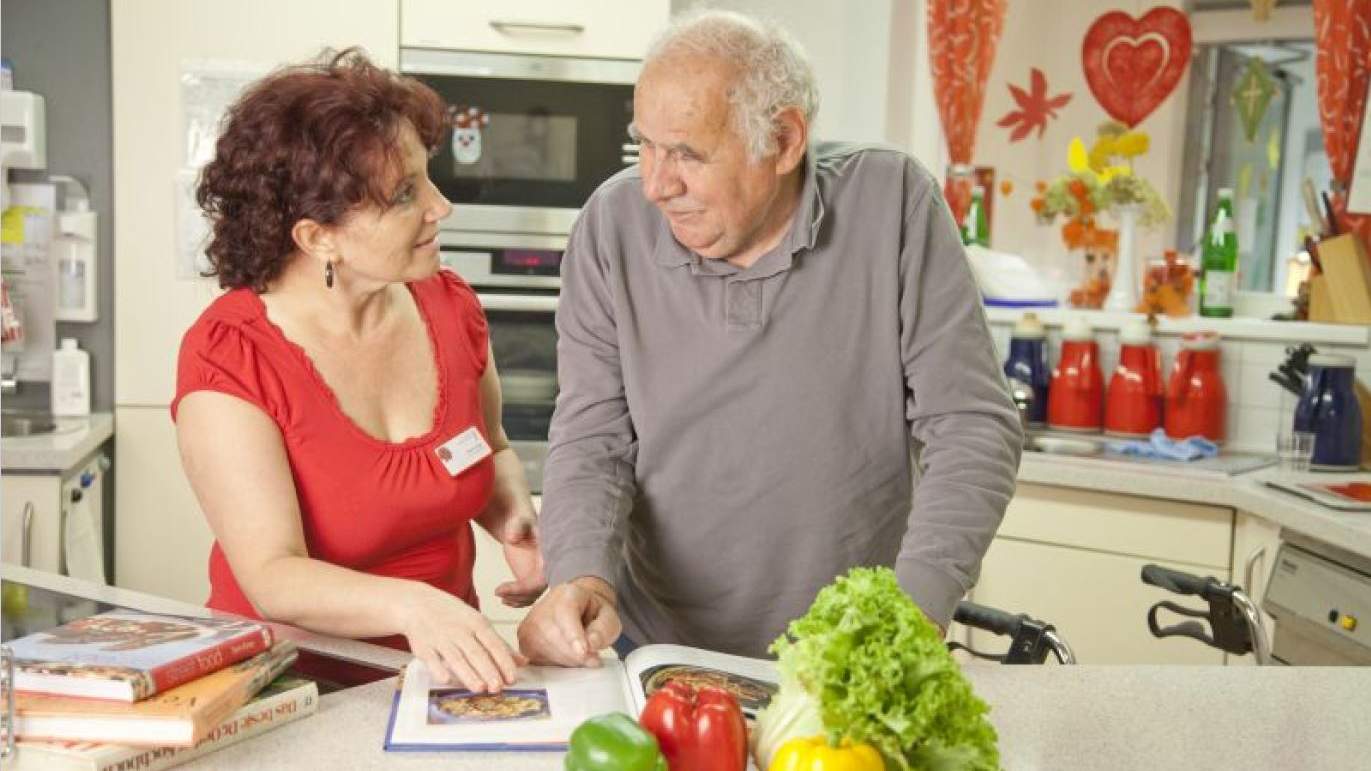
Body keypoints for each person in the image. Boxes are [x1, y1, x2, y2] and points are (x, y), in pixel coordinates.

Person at [517, 10, 1023, 665]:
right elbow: (593, 436)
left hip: (854, 646)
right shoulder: (609, 227)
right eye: (643, 144)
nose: (654, 184)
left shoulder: (891, 202)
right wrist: (581, 575)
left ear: (783, 141)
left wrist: (914, 609)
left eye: (686, 154)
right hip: (656, 645)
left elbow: (971, 424)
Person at [173, 50, 544, 692]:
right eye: (405, 195)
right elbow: (272, 574)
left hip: (437, 682)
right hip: (282, 691)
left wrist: (511, 513)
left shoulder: (451, 307)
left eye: (427, 178)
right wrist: (412, 604)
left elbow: (496, 447)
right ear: (319, 238)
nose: (440, 206)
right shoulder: (232, 355)